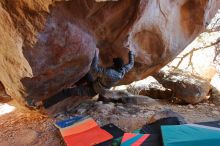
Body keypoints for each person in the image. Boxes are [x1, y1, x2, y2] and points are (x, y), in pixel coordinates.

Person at [41, 49, 135, 108]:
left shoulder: (109, 73)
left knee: (66, 92)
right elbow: (131, 64)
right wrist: (131, 53)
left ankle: (45, 104)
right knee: (86, 74)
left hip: (91, 90)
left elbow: (94, 69)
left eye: (113, 63)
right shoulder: (123, 70)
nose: (111, 64)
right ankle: (75, 85)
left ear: (114, 66)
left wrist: (96, 55)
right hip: (95, 84)